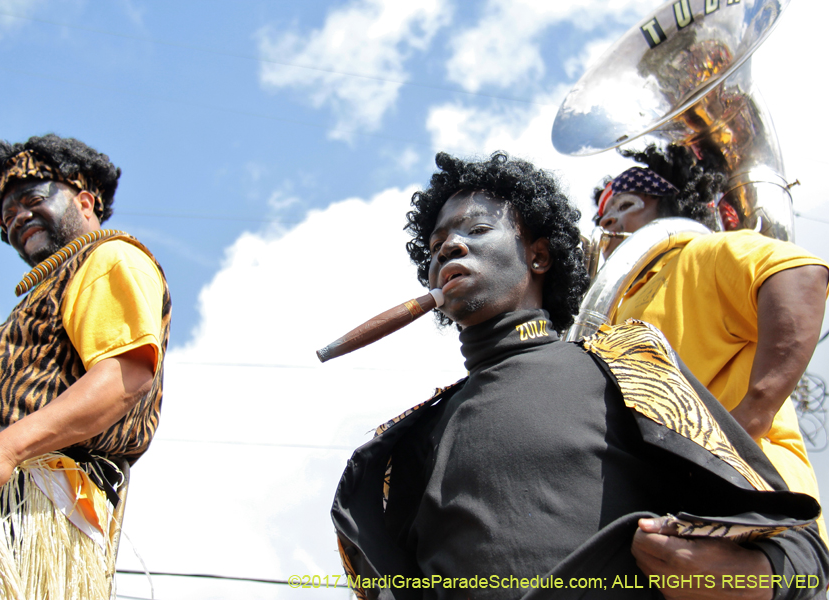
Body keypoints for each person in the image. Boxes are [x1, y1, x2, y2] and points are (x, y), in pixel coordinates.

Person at [331, 151, 828, 600]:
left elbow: (802, 556)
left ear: (539, 256)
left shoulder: (629, 368)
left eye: (476, 230)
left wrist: (747, 577)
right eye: (437, 244)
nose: (450, 248)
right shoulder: (396, 452)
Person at [0, 122, 171, 598]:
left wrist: (3, 450)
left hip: (17, 514)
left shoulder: (109, 257)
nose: (17, 215)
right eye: (7, 212)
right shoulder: (32, 309)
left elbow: (125, 373)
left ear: (85, 201)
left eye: (32, 197)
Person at [594, 144, 829, 543]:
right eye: (603, 215)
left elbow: (800, 274)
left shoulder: (698, 253)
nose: (609, 220)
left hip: (753, 504)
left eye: (626, 203)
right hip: (668, 514)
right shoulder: (614, 304)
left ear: (666, 205)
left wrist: (752, 415)